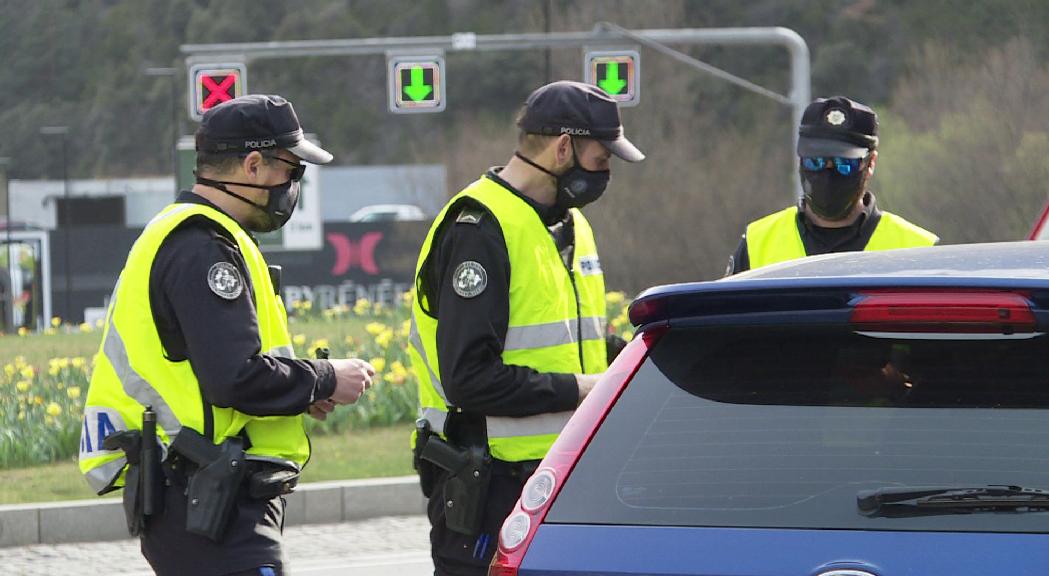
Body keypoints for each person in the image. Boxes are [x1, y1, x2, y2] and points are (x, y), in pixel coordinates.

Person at [78, 94, 375, 576]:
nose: (293, 185)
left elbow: (210, 374)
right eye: (291, 170)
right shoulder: (202, 248)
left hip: (208, 495)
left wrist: (298, 392)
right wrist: (323, 378)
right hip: (206, 501)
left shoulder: (197, 235)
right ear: (254, 165)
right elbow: (234, 378)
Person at [407, 80, 644, 576]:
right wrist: (585, 390)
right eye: (601, 159)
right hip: (489, 488)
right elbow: (470, 378)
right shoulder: (480, 228)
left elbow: (571, 343)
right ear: (564, 148)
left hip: (556, 478)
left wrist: (639, 359)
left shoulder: (569, 224)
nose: (605, 174)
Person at [725, 96, 938, 275]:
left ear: (870, 163)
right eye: (815, 162)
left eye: (843, 164)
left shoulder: (919, 250)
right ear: (800, 160)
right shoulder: (757, 243)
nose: (827, 174)